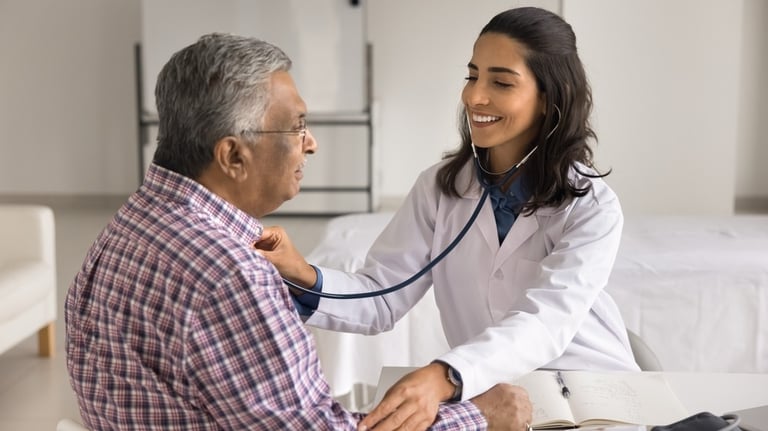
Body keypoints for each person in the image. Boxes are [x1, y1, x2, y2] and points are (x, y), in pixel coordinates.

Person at [64, 33, 532, 431]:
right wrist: (478, 416)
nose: (311, 143)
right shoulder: (231, 276)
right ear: (232, 156)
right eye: (297, 127)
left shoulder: (127, 228)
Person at [256, 6, 640, 431]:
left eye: (501, 82)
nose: (475, 96)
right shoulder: (440, 188)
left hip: (592, 398)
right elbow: (382, 295)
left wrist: (445, 375)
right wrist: (302, 273)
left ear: (550, 99)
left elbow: (546, 321)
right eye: (472, 75)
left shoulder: (591, 206)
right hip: (497, 396)